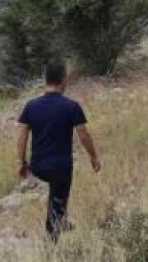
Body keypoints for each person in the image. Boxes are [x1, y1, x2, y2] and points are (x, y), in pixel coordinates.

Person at [16, 62, 101, 242]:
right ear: (63, 80)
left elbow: (22, 135)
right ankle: (52, 241)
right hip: (61, 166)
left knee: (56, 194)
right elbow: (84, 135)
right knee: (58, 199)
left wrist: (22, 163)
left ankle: (60, 219)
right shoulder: (71, 106)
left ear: (45, 80)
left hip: (38, 166)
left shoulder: (31, 105)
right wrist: (93, 156)